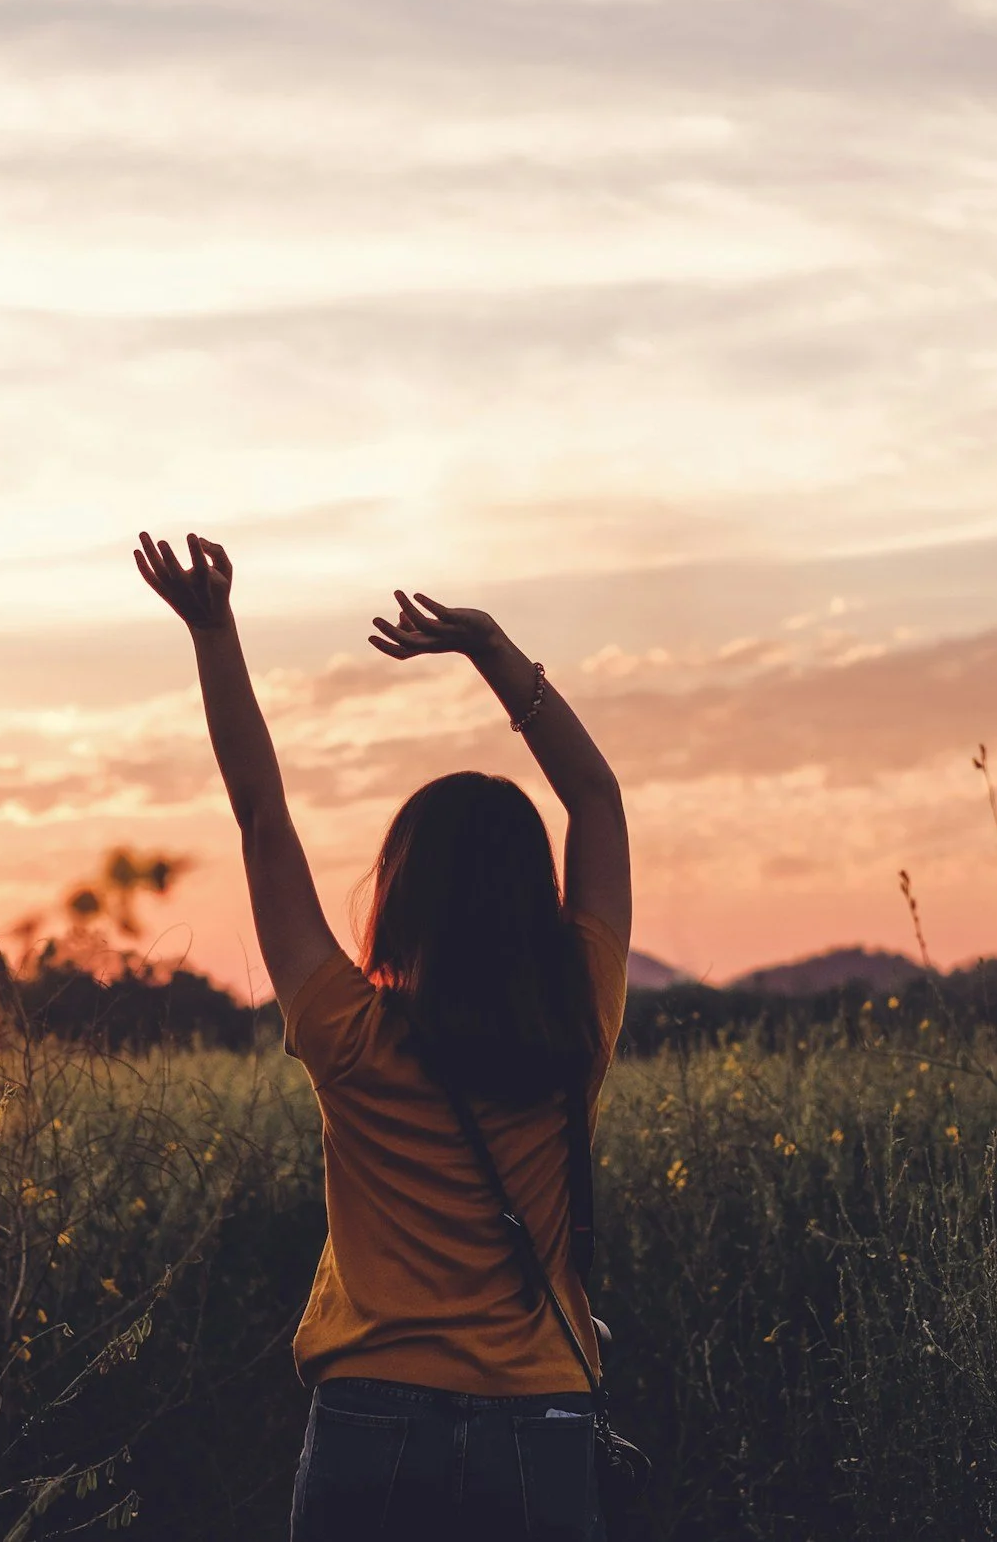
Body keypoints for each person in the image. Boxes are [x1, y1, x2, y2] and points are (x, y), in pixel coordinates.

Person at [134, 531, 630, 1542]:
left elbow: (261, 817)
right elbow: (596, 798)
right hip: (540, 1415)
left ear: (401, 896)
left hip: (373, 1415)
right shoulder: (579, 1014)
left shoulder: (347, 1033)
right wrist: (491, 647)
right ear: (535, 899)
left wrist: (214, 631)